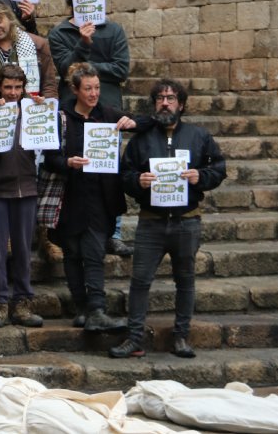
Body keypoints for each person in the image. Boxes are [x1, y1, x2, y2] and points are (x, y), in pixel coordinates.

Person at [112, 79, 226, 359]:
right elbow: (124, 174)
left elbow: (219, 168)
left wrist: (202, 177)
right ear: (154, 105)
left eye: (171, 98)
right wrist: (138, 180)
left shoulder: (199, 136)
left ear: (181, 104)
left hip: (187, 222)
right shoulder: (142, 140)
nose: (165, 102)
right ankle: (134, 338)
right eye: (160, 98)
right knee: (140, 282)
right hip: (151, 221)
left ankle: (182, 337)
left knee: (185, 281)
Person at [42, 63, 137, 333]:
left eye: (97, 88)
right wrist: (68, 162)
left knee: (94, 253)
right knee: (72, 253)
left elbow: (140, 122)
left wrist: (132, 121)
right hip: (69, 196)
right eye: (88, 89)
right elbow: (49, 159)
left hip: (99, 197)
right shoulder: (60, 117)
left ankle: (97, 308)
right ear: (75, 89)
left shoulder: (107, 114)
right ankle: (81, 308)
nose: (94, 94)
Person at [48, 0, 134, 257]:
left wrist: (86, 66)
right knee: (74, 167)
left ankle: (115, 232)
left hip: (107, 110)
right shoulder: (60, 32)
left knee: (110, 169)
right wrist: (83, 45)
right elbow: (65, 70)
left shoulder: (114, 30)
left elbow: (121, 69)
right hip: (72, 112)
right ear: (72, 1)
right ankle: (71, 225)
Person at [0, 65, 45, 328]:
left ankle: (23, 301)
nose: (13, 93)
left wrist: (43, 113)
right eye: (8, 87)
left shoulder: (34, 111)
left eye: (18, 88)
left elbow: (51, 141)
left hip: (27, 186)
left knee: (22, 248)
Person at [0, 0, 58, 100]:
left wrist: (48, 107)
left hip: (29, 109)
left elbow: (49, 85)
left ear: (9, 18)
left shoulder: (39, 45)